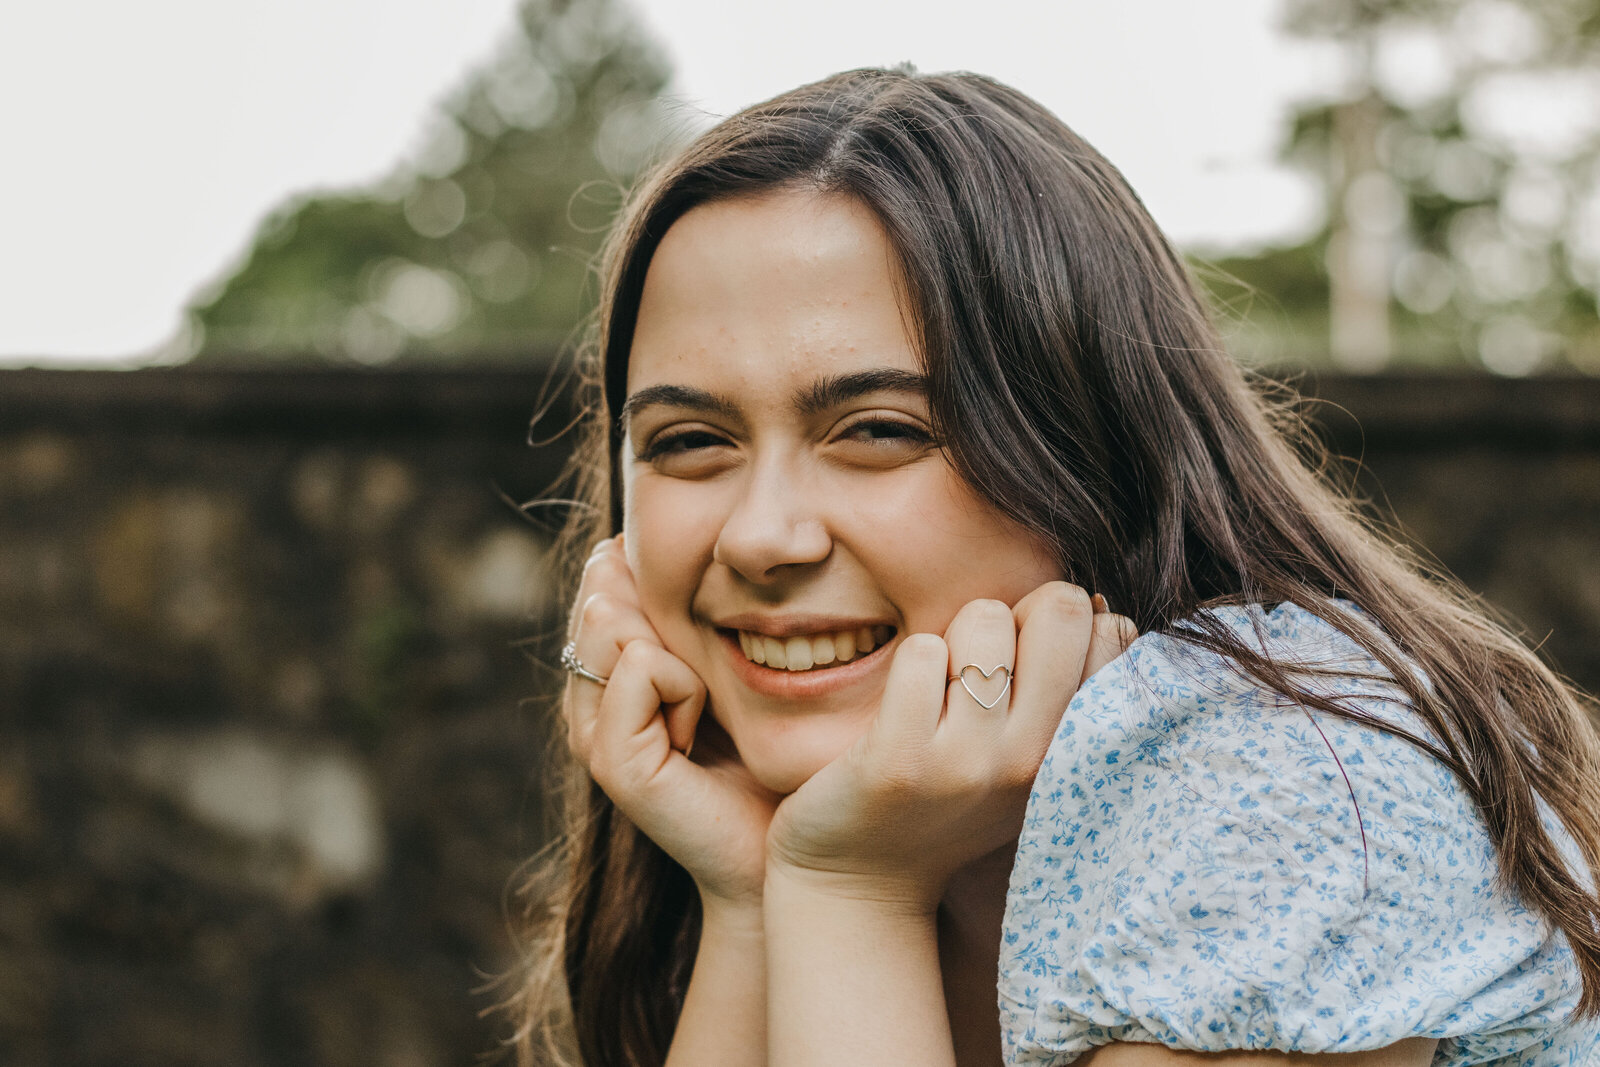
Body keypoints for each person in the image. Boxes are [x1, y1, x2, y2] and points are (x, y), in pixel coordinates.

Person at [506, 68, 1600, 1066]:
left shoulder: (1284, 782)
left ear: (1087, 445)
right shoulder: (824, 821)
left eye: (878, 429)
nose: (760, 536)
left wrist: (847, 895)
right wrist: (753, 895)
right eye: (690, 441)